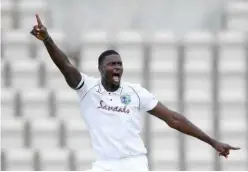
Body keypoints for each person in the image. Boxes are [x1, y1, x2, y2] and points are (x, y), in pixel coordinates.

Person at [30, 14, 240, 171]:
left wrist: (213, 142)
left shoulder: (136, 92)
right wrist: (47, 39)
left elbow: (173, 119)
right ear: (101, 69)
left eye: (120, 64)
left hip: (134, 163)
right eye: (112, 64)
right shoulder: (87, 88)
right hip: (104, 165)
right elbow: (66, 65)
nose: (118, 67)